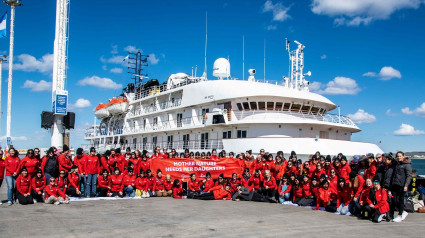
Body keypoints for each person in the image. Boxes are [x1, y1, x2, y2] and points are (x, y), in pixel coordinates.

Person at [390, 151, 412, 222]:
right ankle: (397, 213)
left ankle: (400, 215)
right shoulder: (396, 164)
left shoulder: (407, 165)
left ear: (403, 156)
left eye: (400, 156)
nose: (399, 157)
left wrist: (406, 185)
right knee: (394, 200)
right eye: (398, 156)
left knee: (401, 200)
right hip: (394, 184)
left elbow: (409, 176)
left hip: (402, 185)